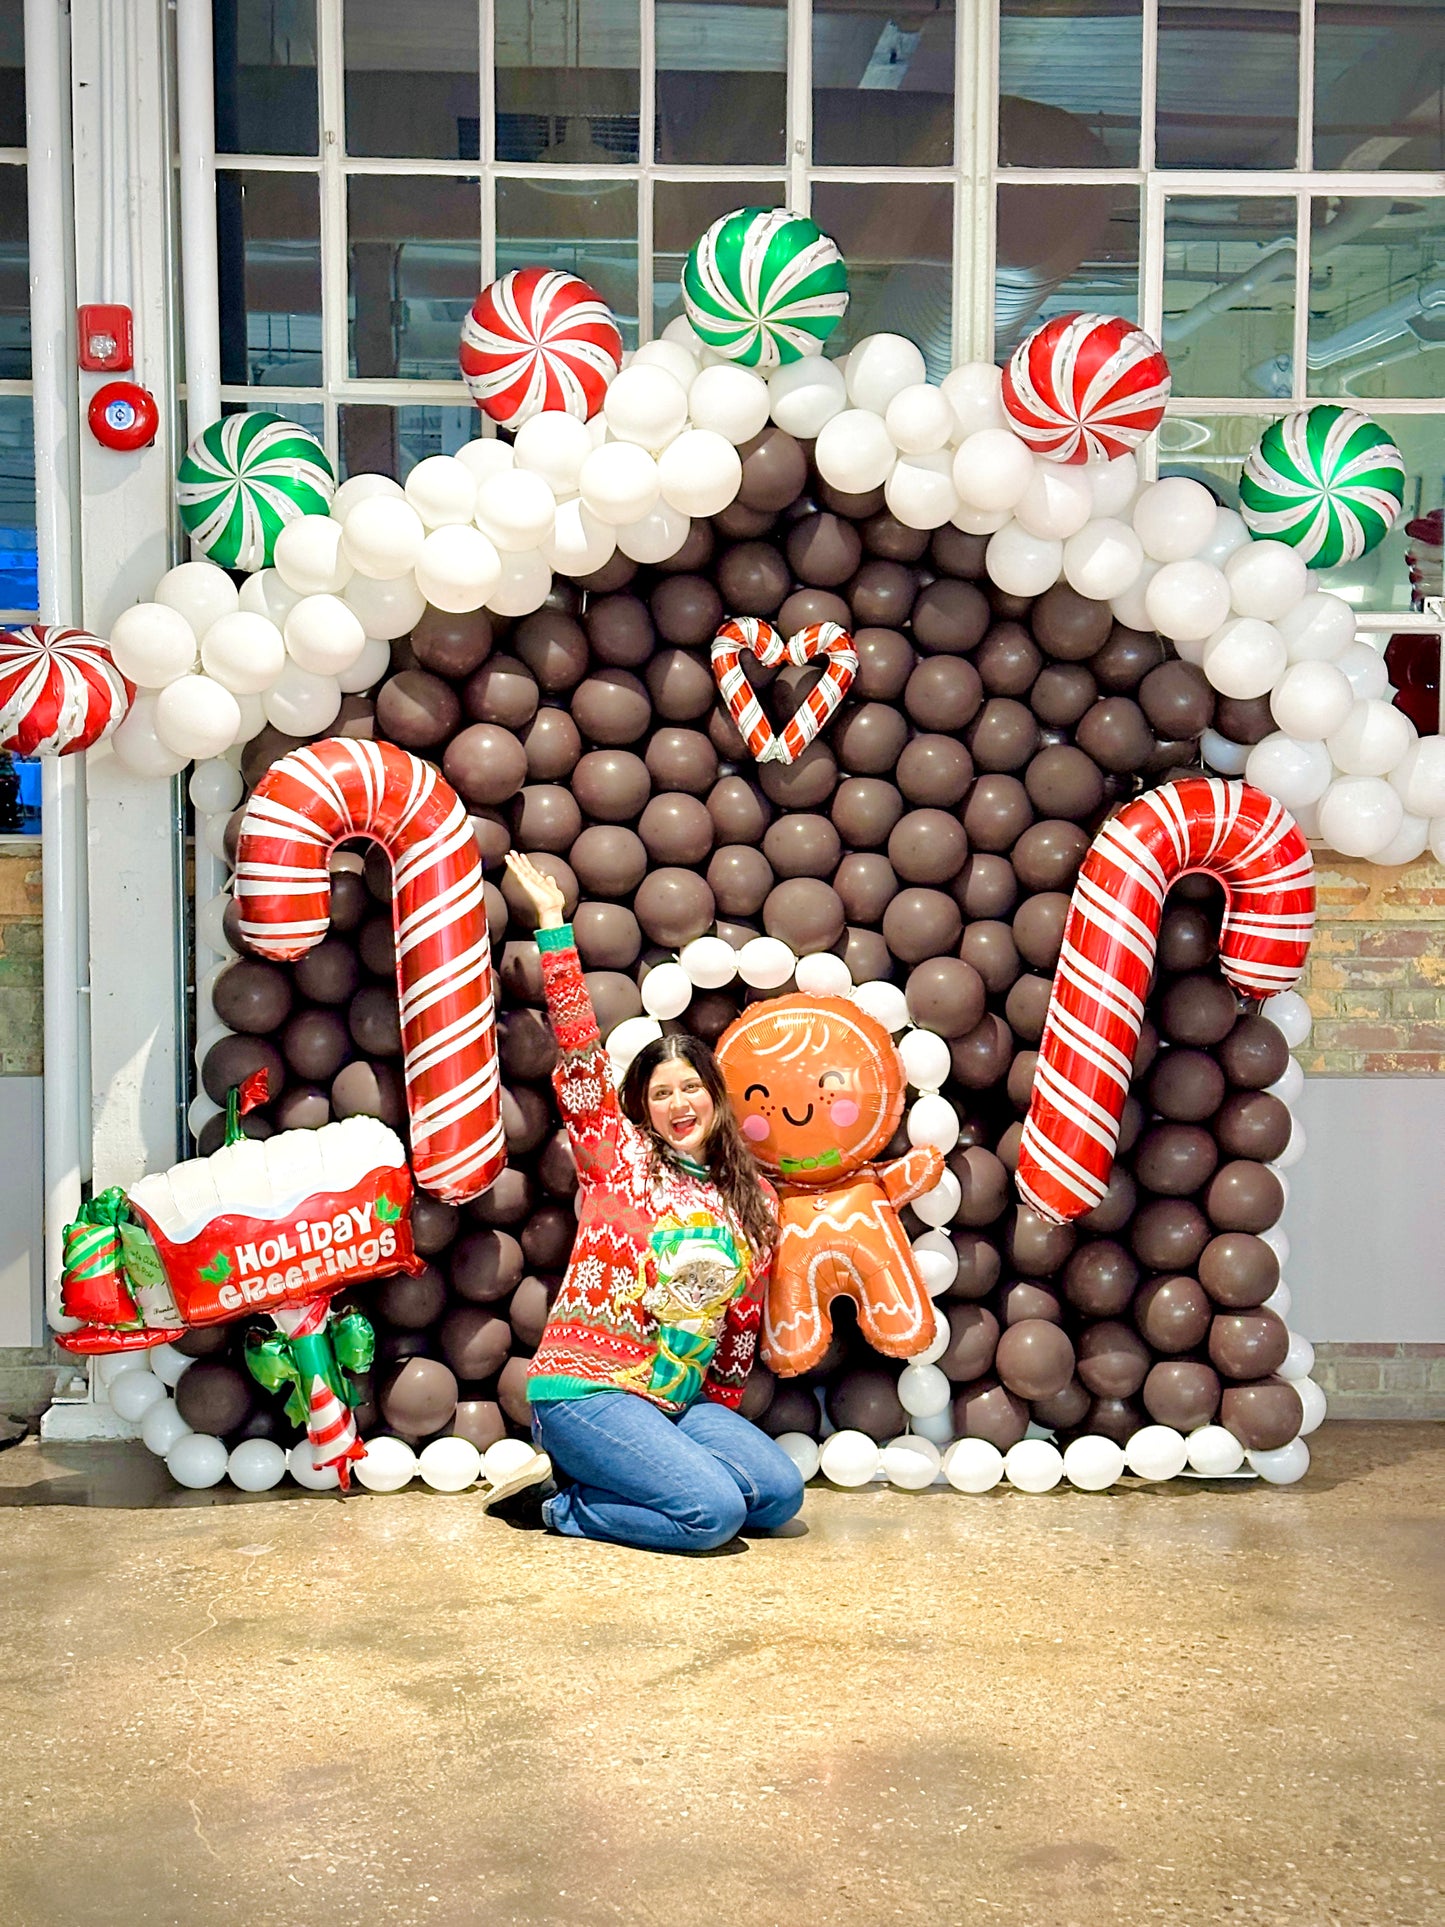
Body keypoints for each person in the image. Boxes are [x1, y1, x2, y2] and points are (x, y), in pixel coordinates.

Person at [481, 853, 806, 1553]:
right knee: (712, 1516)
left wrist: (712, 1425)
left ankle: (645, 1476)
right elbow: (578, 1049)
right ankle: (557, 1504)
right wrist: (551, 927)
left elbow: (739, 1328)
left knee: (777, 1496)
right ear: (643, 1109)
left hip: (674, 1403)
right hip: (587, 1391)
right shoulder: (617, 1156)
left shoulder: (751, 1203)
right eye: (661, 1093)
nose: (678, 1103)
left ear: (715, 1097)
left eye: (690, 1087)